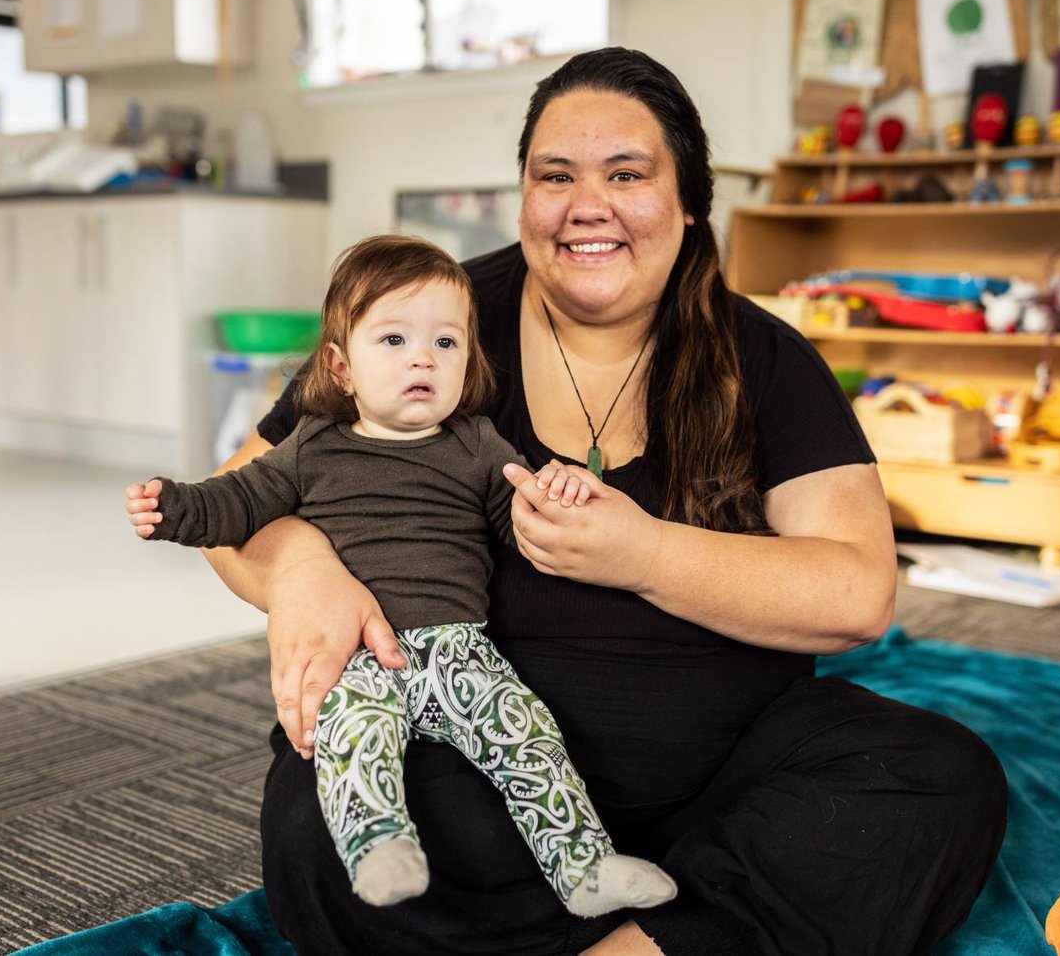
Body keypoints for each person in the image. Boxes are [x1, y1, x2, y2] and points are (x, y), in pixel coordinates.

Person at [178, 46, 1008, 955]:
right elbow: (237, 496)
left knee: (939, 776)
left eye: (627, 174)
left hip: (724, 774)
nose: (587, 206)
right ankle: (684, 929)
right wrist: (301, 567)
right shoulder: (431, 322)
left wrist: (642, 552)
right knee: (322, 819)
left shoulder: (764, 357)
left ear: (689, 202)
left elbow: (856, 592)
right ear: (524, 195)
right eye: (555, 175)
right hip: (482, 763)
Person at [124, 235, 676, 918]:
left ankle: (582, 864)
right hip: (360, 653)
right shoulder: (312, 445)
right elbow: (236, 502)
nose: (423, 357)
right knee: (352, 736)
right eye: (393, 339)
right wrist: (172, 506)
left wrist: (560, 499)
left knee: (526, 732)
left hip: (462, 651)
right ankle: (379, 846)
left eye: (446, 343)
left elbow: (522, 524)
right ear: (340, 365)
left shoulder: (477, 444)